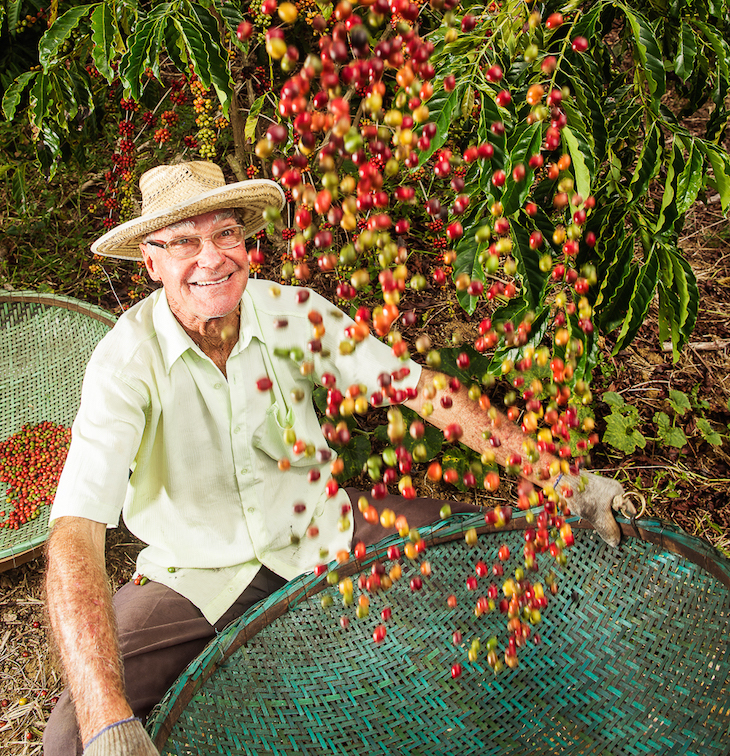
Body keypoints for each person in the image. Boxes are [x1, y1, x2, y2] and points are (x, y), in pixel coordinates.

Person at [44, 161, 633, 756]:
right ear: (152, 263)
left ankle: (554, 706)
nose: (212, 257)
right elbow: (75, 531)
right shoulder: (125, 363)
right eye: (184, 242)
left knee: (496, 556)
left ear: (246, 242)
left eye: (225, 234)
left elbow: (421, 389)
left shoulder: (290, 312)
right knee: (73, 738)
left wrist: (564, 478)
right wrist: (105, 714)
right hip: (197, 574)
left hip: (321, 527)